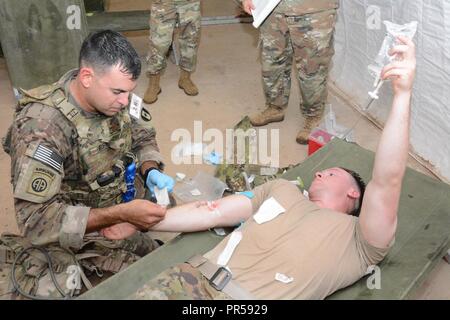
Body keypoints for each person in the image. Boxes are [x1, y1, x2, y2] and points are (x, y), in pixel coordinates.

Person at [102, 37, 416, 299]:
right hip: (189, 281)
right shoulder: (283, 190)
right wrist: (143, 222)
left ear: (353, 195)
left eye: (332, 173)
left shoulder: (360, 241)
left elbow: (387, 181)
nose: (319, 172)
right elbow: (211, 211)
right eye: (323, 170)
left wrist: (402, 95)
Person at [1, 30, 175, 298]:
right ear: (86, 77)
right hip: (77, 225)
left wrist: (149, 168)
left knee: (162, 259)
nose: (125, 101)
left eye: (130, 92)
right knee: (140, 283)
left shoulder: (120, 97)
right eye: (118, 92)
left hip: (117, 200)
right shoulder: (43, 127)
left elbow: (143, 136)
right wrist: (120, 214)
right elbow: (36, 222)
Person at [242, 0, 339, 144]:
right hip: (271, 7)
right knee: (272, 59)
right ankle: (275, 107)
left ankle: (313, 116)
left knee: (312, 66)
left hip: (312, 9)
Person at [143, 0, 201, 104]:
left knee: (190, 39)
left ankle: (185, 78)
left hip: (190, 3)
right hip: (164, 3)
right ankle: (154, 84)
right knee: (158, 43)